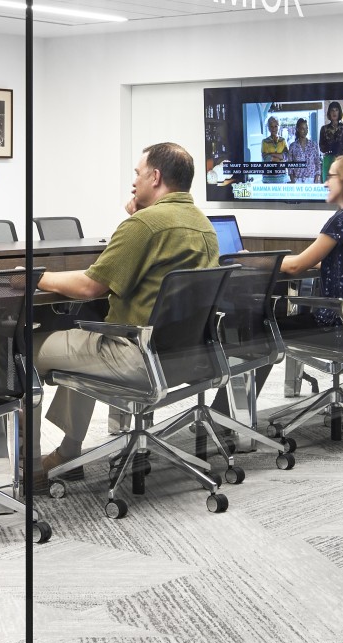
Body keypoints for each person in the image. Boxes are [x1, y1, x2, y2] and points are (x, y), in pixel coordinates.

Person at [31, 142, 219, 484]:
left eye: (138, 173)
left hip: (134, 354)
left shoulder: (145, 225)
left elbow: (91, 287)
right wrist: (138, 216)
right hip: (182, 355)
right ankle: (68, 454)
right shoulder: (203, 225)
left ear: (156, 176)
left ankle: (24, 470)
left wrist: (36, 277)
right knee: (80, 348)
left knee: (24, 350)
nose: (133, 182)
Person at [280, 152, 343, 325]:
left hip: (334, 325)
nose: (326, 184)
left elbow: (295, 266)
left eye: (330, 177)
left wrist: (252, 260)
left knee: (263, 326)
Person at [317, 100, 343, 181]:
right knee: (327, 183)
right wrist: (333, 147)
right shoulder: (324, 128)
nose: (334, 112)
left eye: (336, 110)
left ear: (339, 112)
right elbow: (322, 147)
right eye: (332, 110)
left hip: (340, 159)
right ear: (329, 113)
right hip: (327, 158)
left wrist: (334, 151)